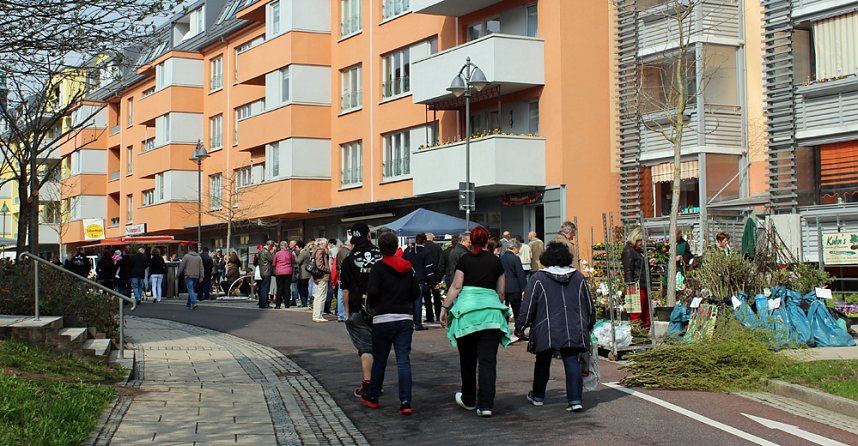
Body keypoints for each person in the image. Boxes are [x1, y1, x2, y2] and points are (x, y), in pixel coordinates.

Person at [514, 241, 596, 412]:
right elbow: (588, 304)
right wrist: (590, 322)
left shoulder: (539, 278)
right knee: (571, 360)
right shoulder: (578, 277)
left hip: (546, 328)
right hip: (573, 326)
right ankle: (575, 400)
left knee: (543, 361)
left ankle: (538, 396)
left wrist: (521, 326)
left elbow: (528, 305)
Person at [439, 226, 511, 417]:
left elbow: (456, 286)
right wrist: (496, 305)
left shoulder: (465, 260)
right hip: (491, 316)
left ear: (470, 241)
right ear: (487, 241)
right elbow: (501, 291)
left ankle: (469, 399)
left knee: (468, 360)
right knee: (488, 362)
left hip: (467, 314)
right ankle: (486, 405)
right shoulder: (496, 262)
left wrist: (444, 308)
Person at [361, 231, 420, 415]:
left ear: (380, 248)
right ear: (396, 246)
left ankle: (373, 395)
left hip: (383, 318)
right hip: (404, 317)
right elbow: (416, 293)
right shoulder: (408, 267)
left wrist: (373, 306)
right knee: (403, 360)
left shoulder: (378, 268)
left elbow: (373, 292)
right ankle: (405, 401)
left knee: (380, 359)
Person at [340, 223, 383, 398]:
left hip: (358, 307)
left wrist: (347, 312)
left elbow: (345, 290)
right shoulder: (381, 255)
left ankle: (367, 383)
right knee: (380, 348)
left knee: (366, 348)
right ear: (368, 236)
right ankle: (377, 383)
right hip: (381, 308)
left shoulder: (349, 260)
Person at [621, 228, 655, 329]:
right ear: (635, 239)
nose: (642, 243)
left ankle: (644, 333)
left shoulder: (638, 251)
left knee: (646, 312)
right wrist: (630, 288)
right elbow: (628, 270)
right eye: (640, 240)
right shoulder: (628, 250)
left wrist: (648, 263)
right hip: (636, 286)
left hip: (643, 285)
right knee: (636, 312)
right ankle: (637, 334)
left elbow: (638, 266)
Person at [403, 233, 437, 329]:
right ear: (424, 241)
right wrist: (433, 283)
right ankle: (417, 324)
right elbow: (429, 270)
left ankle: (408, 322)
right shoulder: (426, 252)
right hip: (420, 280)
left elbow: (402, 264)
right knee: (418, 301)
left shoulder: (407, 251)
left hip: (408, 279)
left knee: (409, 301)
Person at [501, 239, 527, 321]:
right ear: (514, 248)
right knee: (517, 309)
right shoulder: (515, 259)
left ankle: (505, 326)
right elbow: (520, 274)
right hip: (515, 287)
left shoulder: (501, 258)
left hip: (503, 286)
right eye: (518, 249)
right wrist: (524, 288)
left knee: (505, 308)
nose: (518, 251)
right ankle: (518, 327)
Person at [424, 233, 444, 323]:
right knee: (436, 296)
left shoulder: (423, 247)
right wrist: (439, 276)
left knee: (427, 296)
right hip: (435, 275)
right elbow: (441, 262)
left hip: (425, 275)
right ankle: (438, 314)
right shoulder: (437, 247)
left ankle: (429, 316)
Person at [311, 238, 332, 322]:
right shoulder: (320, 251)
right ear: (322, 244)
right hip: (322, 276)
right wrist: (327, 270)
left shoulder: (315, 251)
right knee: (321, 296)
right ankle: (318, 315)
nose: (327, 246)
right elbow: (319, 265)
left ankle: (316, 314)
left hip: (317, 276)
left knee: (318, 296)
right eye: (326, 244)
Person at [177, 244, 204, 309]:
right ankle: (188, 304)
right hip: (196, 275)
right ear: (194, 249)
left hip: (188, 275)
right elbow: (201, 267)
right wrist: (202, 276)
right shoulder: (199, 257)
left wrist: (178, 274)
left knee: (190, 289)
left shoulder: (186, 256)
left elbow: (182, 266)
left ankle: (194, 302)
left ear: (189, 249)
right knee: (191, 289)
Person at [273, 241, 294, 309]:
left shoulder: (277, 254)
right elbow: (292, 262)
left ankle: (278, 304)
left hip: (279, 272)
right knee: (287, 288)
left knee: (279, 288)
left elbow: (274, 263)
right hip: (288, 271)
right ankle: (287, 304)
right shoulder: (290, 253)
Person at [335, 239, 351, 321]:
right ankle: (344, 314)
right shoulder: (348, 252)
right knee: (345, 293)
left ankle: (340, 314)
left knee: (340, 294)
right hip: (345, 272)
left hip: (339, 272)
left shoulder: (340, 252)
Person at [257, 241, 275, 308]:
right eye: (272, 246)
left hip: (262, 271)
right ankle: (264, 303)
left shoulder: (260, 251)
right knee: (265, 288)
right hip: (267, 272)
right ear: (270, 245)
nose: (272, 248)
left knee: (263, 287)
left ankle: (262, 303)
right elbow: (272, 259)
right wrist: (272, 252)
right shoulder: (266, 252)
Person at [294, 241, 311, 307]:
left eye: (297, 247)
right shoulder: (307, 252)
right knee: (305, 287)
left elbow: (298, 261)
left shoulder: (302, 253)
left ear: (300, 247)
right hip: (307, 273)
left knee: (300, 287)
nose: (296, 248)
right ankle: (305, 301)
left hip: (303, 273)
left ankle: (303, 302)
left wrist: (294, 256)